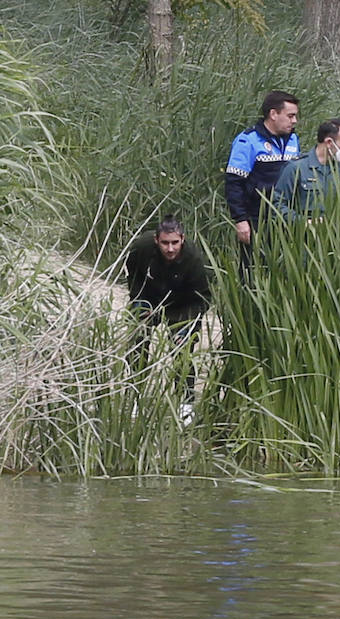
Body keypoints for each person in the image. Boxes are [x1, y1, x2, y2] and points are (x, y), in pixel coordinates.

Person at [124, 215, 212, 405]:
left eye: (174, 243)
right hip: (149, 297)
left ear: (183, 239)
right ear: (157, 240)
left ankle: (186, 405)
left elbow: (203, 298)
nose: (170, 248)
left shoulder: (194, 259)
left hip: (182, 304)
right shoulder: (143, 246)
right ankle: (134, 399)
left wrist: (187, 327)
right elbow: (133, 273)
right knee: (137, 344)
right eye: (165, 243)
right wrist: (138, 301)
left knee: (183, 351)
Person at [224, 91, 300, 279]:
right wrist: (240, 220)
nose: (295, 121)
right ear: (273, 114)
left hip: (286, 216)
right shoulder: (248, 140)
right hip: (256, 218)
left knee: (285, 271)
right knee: (252, 271)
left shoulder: (293, 139)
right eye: (290, 116)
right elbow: (234, 183)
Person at [272, 118, 340, 222]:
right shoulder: (296, 169)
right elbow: (278, 205)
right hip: (304, 234)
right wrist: (303, 223)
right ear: (329, 142)